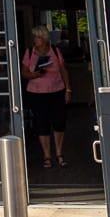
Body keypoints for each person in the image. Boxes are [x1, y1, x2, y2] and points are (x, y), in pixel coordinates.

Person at [22, 26, 71, 170]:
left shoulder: (55, 51)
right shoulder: (30, 52)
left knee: (59, 122)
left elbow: (63, 70)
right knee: (41, 124)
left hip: (57, 91)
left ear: (43, 38)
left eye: (37, 37)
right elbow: (24, 72)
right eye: (34, 37)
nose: (35, 40)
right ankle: (47, 156)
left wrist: (68, 89)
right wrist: (35, 74)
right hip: (36, 93)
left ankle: (59, 153)